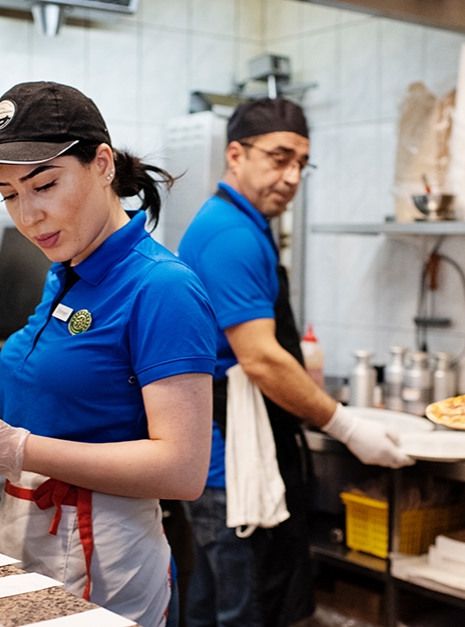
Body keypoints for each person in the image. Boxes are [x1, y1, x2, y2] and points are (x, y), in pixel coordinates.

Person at [0, 81, 216, 627]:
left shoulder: (162, 287)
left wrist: (14, 447)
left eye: (44, 184)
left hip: (107, 551)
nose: (29, 215)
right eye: (10, 194)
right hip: (32, 527)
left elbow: (182, 470)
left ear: (103, 164)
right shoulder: (64, 272)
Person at [178, 98, 414, 627]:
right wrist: (347, 425)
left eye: (301, 164)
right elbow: (260, 359)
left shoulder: (241, 224)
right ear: (236, 154)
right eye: (279, 157)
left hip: (227, 460)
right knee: (250, 611)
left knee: (214, 608)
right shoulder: (231, 235)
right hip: (233, 466)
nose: (291, 176)